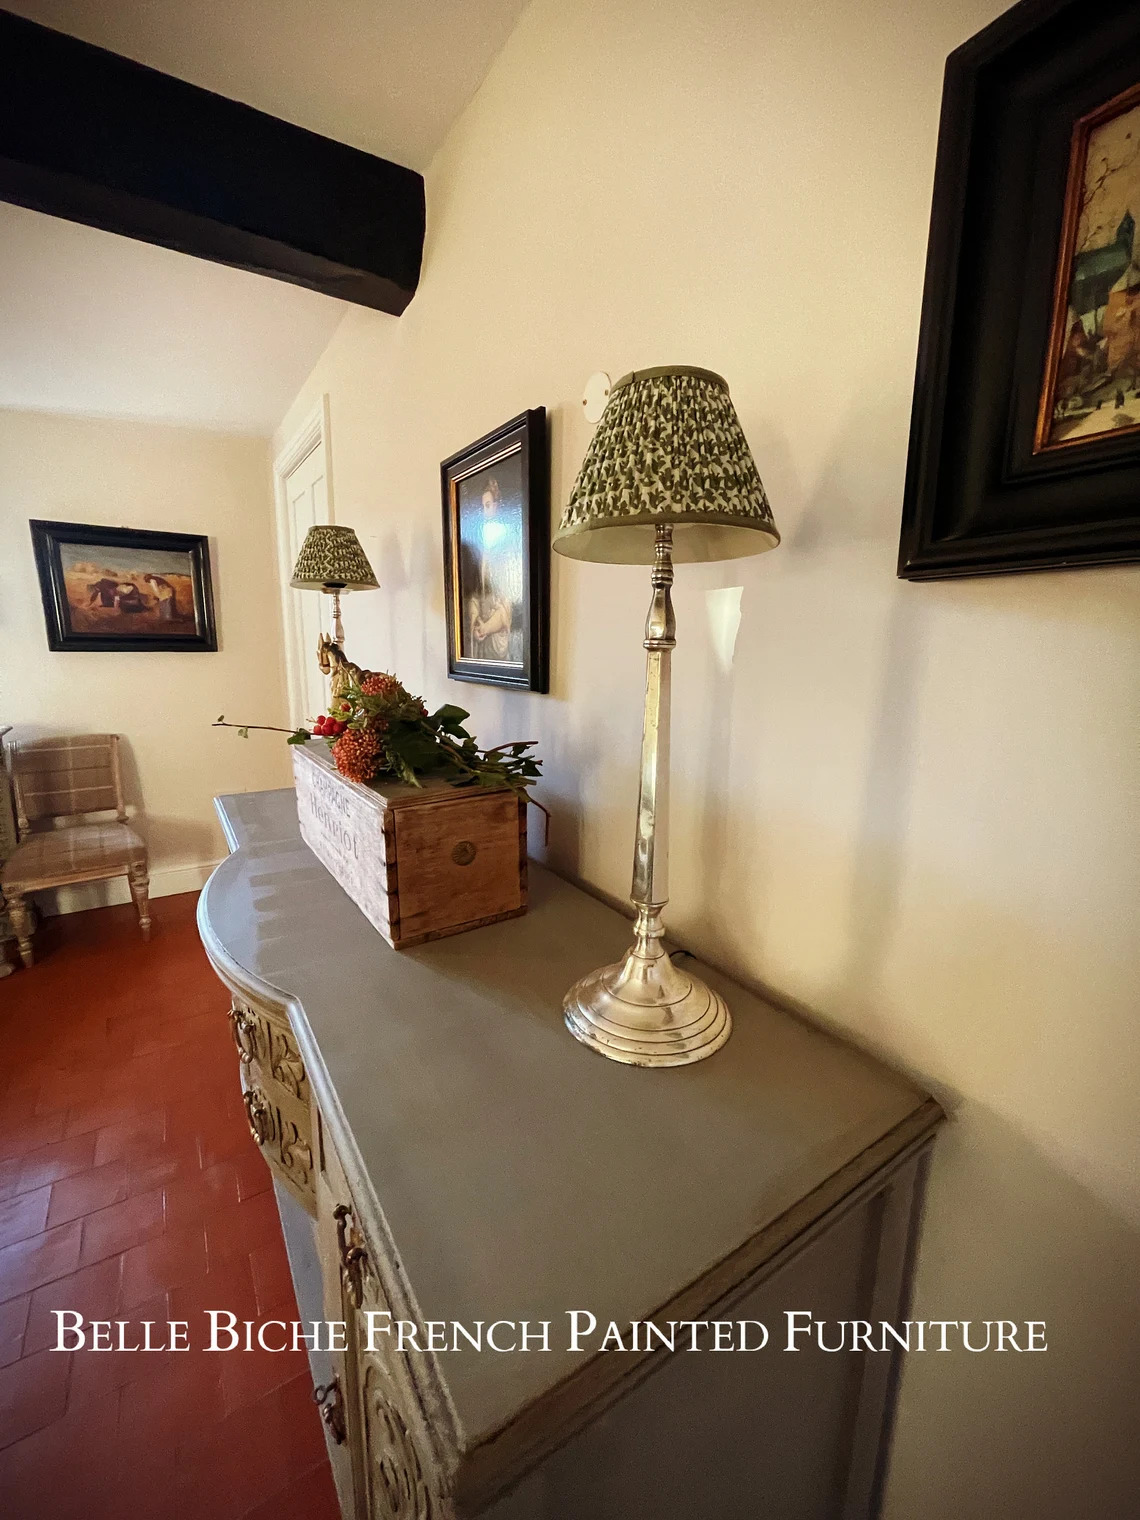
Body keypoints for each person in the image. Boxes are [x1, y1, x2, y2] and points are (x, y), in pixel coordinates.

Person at [466, 477, 522, 662]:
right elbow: (476, 592)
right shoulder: (483, 549)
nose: (485, 511)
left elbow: (509, 602)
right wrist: (476, 620)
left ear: (498, 505)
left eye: (488, 505)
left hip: (498, 636)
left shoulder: (510, 548)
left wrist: (487, 627)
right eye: (483, 506)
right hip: (483, 636)